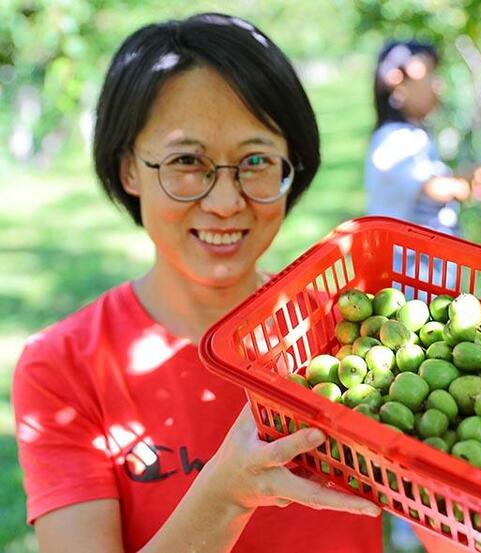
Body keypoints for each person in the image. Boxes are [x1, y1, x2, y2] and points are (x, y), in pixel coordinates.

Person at [12, 13, 382, 553]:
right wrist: (227, 495)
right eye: (187, 161)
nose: (226, 202)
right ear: (129, 170)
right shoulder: (63, 368)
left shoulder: (351, 333)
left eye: (256, 160)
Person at [364, 40, 471, 237]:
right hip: (408, 265)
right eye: (428, 73)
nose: (437, 84)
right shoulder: (395, 139)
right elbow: (434, 187)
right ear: (397, 81)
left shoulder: (412, 134)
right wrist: (477, 185)